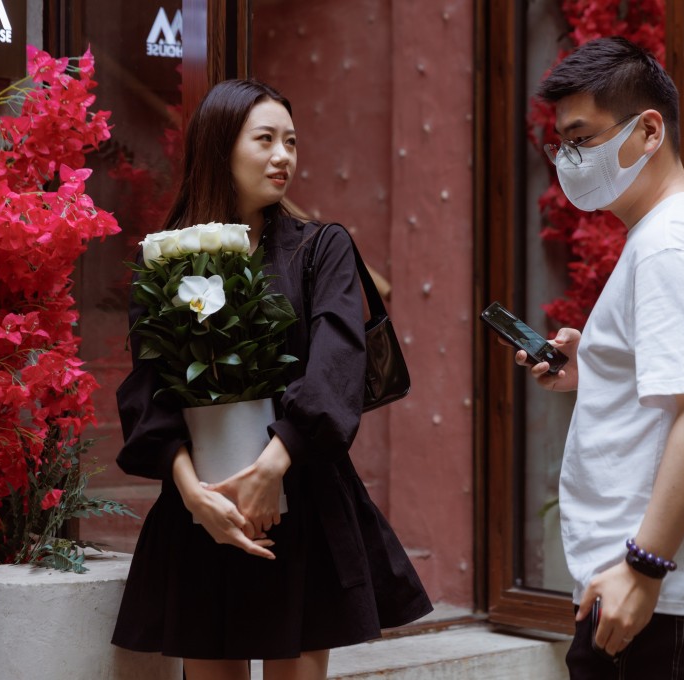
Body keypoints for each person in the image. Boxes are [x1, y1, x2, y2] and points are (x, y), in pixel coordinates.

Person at [110, 78, 432, 680]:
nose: (283, 156)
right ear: (220, 147)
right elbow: (149, 390)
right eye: (265, 140)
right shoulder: (166, 259)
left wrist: (270, 468)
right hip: (205, 508)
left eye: (291, 141)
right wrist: (193, 494)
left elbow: (337, 363)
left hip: (301, 499)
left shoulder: (320, 248)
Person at [518, 37, 684, 679]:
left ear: (649, 130)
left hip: (653, 599)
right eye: (561, 144)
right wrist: (596, 365)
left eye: (581, 138)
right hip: (652, 596)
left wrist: (644, 567)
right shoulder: (672, 233)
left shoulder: (670, 245)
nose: (569, 160)